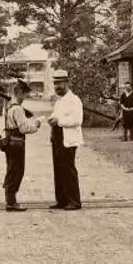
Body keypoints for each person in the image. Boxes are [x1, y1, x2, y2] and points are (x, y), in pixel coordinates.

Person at [2, 80, 42, 212]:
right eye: (24, 95)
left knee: (11, 169)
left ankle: (9, 200)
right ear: (19, 93)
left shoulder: (8, 106)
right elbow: (24, 128)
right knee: (17, 171)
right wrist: (36, 125)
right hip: (17, 142)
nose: (25, 98)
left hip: (9, 142)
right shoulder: (18, 109)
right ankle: (11, 202)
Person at [47, 69, 84, 210]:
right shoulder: (59, 101)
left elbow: (77, 120)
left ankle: (74, 201)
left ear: (67, 83)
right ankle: (61, 200)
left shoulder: (74, 100)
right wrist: (52, 120)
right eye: (55, 84)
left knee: (68, 169)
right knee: (58, 169)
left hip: (68, 138)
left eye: (60, 84)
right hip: (57, 137)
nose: (57, 87)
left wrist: (58, 121)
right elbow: (56, 117)